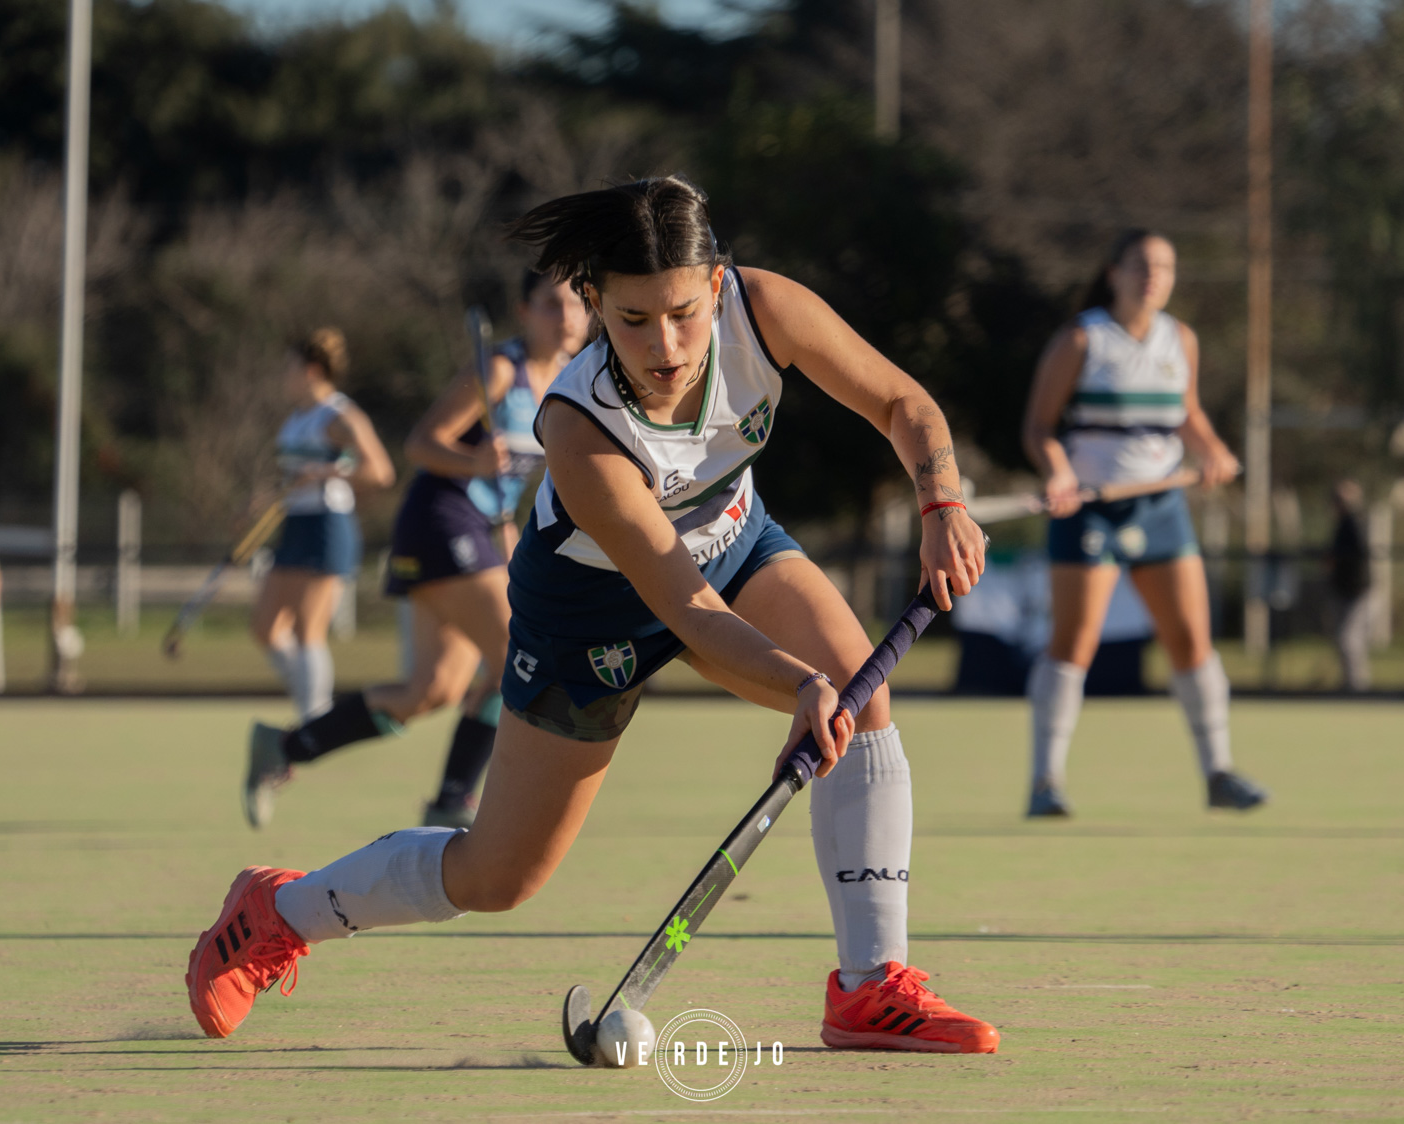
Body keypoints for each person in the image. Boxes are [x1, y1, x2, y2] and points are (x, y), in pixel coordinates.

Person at [187, 176, 1000, 1054]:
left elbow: (902, 404)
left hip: (734, 540)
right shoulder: (579, 430)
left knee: (861, 697)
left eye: (684, 313)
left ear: (718, 284)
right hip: (591, 613)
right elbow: (684, 608)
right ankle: (277, 911)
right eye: (633, 319)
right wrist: (798, 681)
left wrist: (941, 503)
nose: (665, 345)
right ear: (593, 304)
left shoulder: (766, 310)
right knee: (499, 874)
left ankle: (870, 986)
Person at [243, 272, 587, 829]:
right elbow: (422, 444)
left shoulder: (568, 381)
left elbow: (519, 475)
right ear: (524, 311)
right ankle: (452, 800)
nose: (566, 316)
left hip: (477, 528)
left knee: (431, 690)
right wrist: (473, 462)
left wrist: (506, 521)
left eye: (576, 304)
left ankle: (285, 746)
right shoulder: (502, 370)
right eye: (551, 304)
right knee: (518, 653)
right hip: (439, 521)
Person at [1019, 229, 1266, 818]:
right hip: (1090, 508)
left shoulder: (1179, 338)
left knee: (1191, 641)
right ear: (1115, 272)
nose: (1153, 276)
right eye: (1141, 266)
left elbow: (1187, 413)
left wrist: (1211, 452)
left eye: (1165, 267)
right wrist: (1057, 474)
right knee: (1074, 644)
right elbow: (1039, 428)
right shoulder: (1082, 339)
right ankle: (1045, 781)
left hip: (1160, 506)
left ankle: (1219, 773)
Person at [248, 328, 394, 754]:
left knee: (308, 630)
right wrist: (263, 498)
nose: (283, 376)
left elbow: (380, 471)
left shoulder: (339, 415)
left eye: (289, 368)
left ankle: (312, 728)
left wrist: (328, 473)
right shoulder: (296, 418)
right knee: (265, 626)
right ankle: (317, 715)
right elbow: (294, 476)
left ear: (311, 371)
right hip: (296, 523)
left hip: (329, 524)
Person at [1325, 479, 1373, 692]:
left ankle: (1356, 685)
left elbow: (1358, 555)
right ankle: (1351, 682)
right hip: (1344, 590)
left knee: (1349, 639)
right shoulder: (1342, 524)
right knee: (1345, 639)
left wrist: (1335, 560)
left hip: (1357, 591)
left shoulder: (1354, 523)